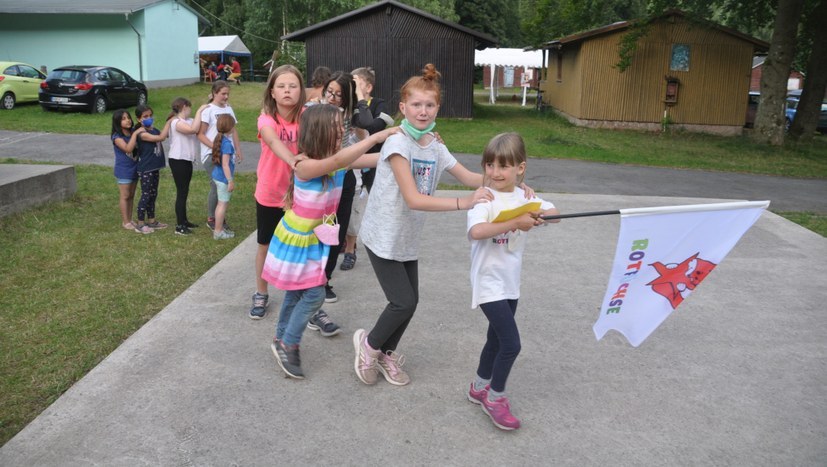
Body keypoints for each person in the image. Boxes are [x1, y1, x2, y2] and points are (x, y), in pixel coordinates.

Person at [352, 64, 535, 387]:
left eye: (430, 105)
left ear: (438, 107)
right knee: (402, 302)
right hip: (382, 234)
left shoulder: (434, 146)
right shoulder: (398, 146)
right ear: (403, 107)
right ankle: (368, 346)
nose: (423, 111)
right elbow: (413, 198)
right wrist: (463, 203)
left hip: (407, 238)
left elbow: (470, 177)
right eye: (416, 105)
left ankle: (386, 353)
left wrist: (514, 184)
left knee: (411, 302)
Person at [261, 104, 397, 379]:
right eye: (336, 128)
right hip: (299, 239)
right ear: (318, 132)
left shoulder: (337, 159)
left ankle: (280, 339)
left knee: (298, 292)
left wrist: (407, 148)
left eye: (342, 128)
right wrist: (373, 138)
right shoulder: (304, 164)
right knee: (314, 294)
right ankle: (289, 342)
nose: (342, 132)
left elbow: (377, 160)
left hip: (316, 239)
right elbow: (336, 162)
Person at [465, 132, 559, 431]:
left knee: (495, 339)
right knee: (511, 344)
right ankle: (495, 398)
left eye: (503, 166)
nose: (494, 173)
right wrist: (515, 223)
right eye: (489, 165)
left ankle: (479, 386)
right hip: (488, 282)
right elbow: (477, 231)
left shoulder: (525, 196)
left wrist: (544, 214)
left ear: (520, 168)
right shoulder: (484, 197)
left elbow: (555, 214)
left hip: (510, 283)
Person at [250, 65, 309, 322]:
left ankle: (303, 295)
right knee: (265, 245)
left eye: (293, 86)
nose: (287, 90)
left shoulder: (308, 117)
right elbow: (273, 142)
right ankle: (261, 292)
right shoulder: (266, 119)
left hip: (301, 195)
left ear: (301, 91)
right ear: (272, 92)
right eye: (281, 86)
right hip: (270, 193)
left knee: (301, 247)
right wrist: (295, 160)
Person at [340, 66, 395, 271]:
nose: (352, 87)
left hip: (374, 163)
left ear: (368, 86)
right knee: (348, 206)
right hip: (351, 164)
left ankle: (379, 243)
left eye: (356, 82)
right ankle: (347, 246)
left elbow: (371, 126)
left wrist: (359, 100)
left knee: (377, 201)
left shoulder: (381, 105)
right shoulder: (349, 106)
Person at [319, 71, 360, 303]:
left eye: (339, 95)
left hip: (344, 177)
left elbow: (369, 121)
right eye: (330, 92)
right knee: (319, 230)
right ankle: (313, 278)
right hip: (321, 178)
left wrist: (360, 96)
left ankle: (325, 279)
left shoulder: (351, 114)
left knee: (336, 230)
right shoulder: (314, 110)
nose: (332, 98)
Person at [198, 80, 242, 232]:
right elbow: (201, 134)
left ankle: (219, 217)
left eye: (228, 94)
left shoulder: (229, 109)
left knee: (222, 184)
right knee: (217, 184)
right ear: (215, 93)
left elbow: (234, 130)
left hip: (226, 152)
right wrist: (216, 148)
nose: (226, 97)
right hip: (212, 154)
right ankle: (213, 219)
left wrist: (238, 149)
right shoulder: (208, 110)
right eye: (223, 93)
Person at [167, 97, 208, 235]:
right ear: (184, 107)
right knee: (181, 192)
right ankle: (179, 226)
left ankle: (184, 220)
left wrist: (207, 103)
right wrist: (200, 110)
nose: (191, 110)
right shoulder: (176, 122)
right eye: (190, 107)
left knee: (185, 191)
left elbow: (197, 125)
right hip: (178, 160)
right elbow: (192, 129)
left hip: (186, 160)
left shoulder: (188, 120)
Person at [133, 104, 171, 234]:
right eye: (145, 116)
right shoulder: (141, 133)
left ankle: (152, 221)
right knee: (146, 195)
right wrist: (169, 121)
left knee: (153, 194)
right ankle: (140, 223)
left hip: (155, 167)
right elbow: (160, 138)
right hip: (146, 169)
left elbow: (164, 136)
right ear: (139, 119)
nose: (149, 118)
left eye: (150, 115)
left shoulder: (153, 130)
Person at [111, 109, 145, 231]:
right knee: (125, 195)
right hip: (124, 169)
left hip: (135, 168)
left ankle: (130, 219)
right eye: (123, 119)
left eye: (128, 118)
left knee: (131, 195)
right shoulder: (117, 137)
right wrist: (135, 134)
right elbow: (128, 149)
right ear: (117, 122)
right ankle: (125, 222)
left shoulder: (132, 132)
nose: (128, 120)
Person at [211, 114, 237, 240]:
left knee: (220, 204)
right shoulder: (226, 143)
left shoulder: (219, 139)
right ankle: (218, 231)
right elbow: (225, 164)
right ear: (230, 127)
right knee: (222, 204)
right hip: (223, 179)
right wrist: (230, 181)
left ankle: (218, 229)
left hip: (217, 176)